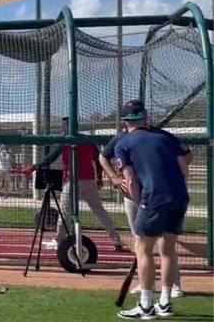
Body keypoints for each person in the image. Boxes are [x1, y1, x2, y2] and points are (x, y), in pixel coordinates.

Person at [99, 100, 193, 299]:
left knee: (160, 245)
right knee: (145, 243)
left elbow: (187, 155)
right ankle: (148, 286)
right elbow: (103, 157)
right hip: (138, 197)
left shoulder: (162, 136)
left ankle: (170, 287)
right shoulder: (122, 139)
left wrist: (163, 172)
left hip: (152, 197)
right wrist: (115, 178)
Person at [24, 117, 125, 251]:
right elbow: (98, 160)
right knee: (100, 211)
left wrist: (34, 167)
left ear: (68, 127)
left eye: (64, 126)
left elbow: (51, 158)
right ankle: (116, 240)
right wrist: (99, 178)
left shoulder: (66, 140)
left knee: (65, 213)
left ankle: (58, 240)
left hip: (71, 182)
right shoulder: (88, 140)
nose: (63, 128)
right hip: (89, 181)